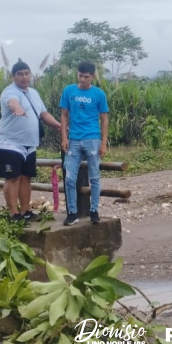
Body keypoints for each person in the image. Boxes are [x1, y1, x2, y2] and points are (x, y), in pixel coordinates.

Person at [0, 61, 61, 224]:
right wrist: (16, 109)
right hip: (10, 143)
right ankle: (13, 214)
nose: (24, 77)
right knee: (12, 178)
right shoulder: (9, 92)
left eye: (27, 73)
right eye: (20, 74)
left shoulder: (33, 93)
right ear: (13, 76)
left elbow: (43, 114)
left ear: (30, 74)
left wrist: (59, 126)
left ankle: (25, 211)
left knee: (26, 178)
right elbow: (13, 102)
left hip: (30, 145)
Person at [60, 62, 109, 226]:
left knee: (94, 177)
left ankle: (94, 210)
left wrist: (103, 143)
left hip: (92, 138)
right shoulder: (69, 91)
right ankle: (72, 212)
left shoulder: (98, 94)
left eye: (86, 77)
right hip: (73, 139)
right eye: (80, 76)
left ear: (93, 77)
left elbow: (104, 119)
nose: (82, 79)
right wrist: (64, 138)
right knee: (69, 178)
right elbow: (64, 115)